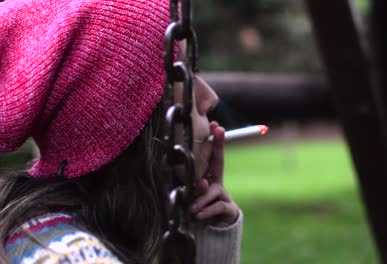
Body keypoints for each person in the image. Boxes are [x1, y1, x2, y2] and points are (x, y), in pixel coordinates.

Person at [0, 0, 242, 263]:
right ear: (124, 116)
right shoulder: (77, 258)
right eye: (184, 73)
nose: (211, 98)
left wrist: (207, 243)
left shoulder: (44, 234)